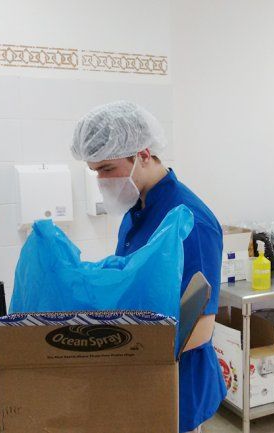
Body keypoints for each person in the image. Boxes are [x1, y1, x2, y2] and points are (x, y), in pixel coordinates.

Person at [71, 101, 226, 433]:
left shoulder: (190, 221)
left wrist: (126, 354)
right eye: (94, 170)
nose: (100, 180)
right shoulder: (135, 209)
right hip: (137, 374)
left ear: (142, 154)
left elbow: (200, 328)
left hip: (176, 383)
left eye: (107, 169)